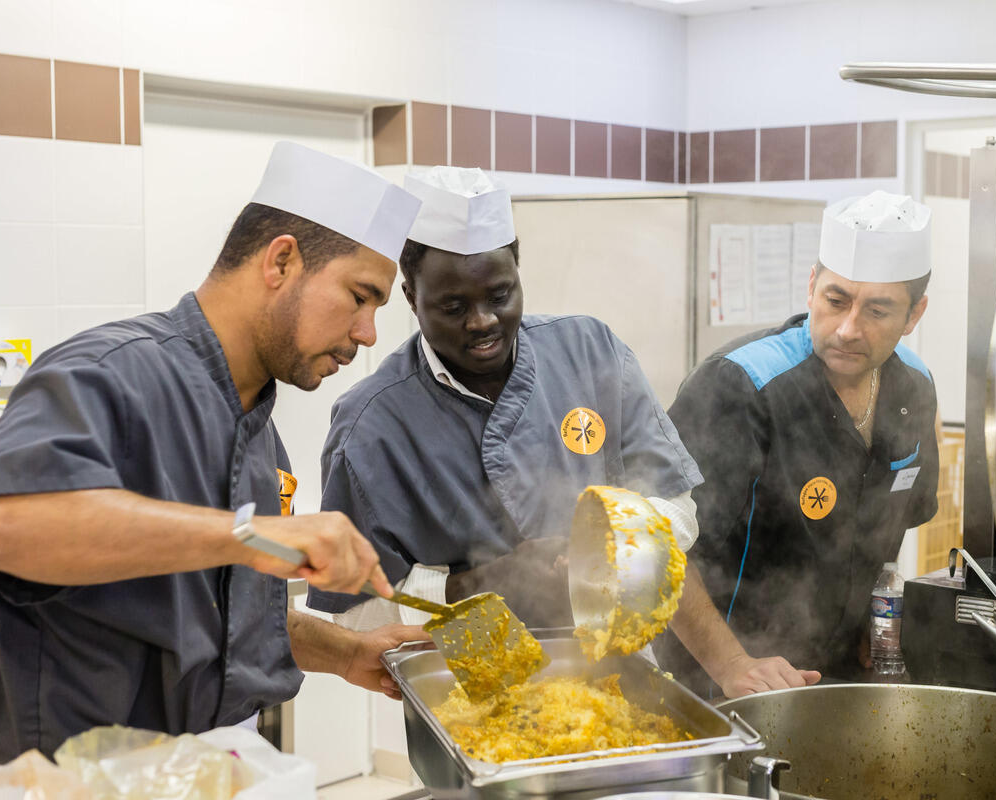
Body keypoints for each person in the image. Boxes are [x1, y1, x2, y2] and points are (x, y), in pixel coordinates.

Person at [0, 141, 426, 773]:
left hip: (213, 770)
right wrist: (248, 534)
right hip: (69, 780)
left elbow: (223, 614)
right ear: (281, 260)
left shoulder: (259, 425)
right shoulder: (109, 373)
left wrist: (346, 652)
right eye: (360, 297)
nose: (368, 333)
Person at [307, 166, 818, 697]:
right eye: (453, 307)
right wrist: (485, 586)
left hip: (620, 670)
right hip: (471, 687)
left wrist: (611, 543)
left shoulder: (590, 352)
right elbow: (356, 618)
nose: (482, 321)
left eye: (500, 295)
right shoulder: (372, 425)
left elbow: (676, 506)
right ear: (411, 297)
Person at [656, 191, 940, 692]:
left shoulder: (913, 387)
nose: (849, 329)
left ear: (914, 315)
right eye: (836, 301)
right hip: (720, 677)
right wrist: (730, 664)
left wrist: (874, 621)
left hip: (837, 676)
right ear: (811, 287)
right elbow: (658, 547)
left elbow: (895, 521)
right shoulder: (739, 385)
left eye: (877, 310)